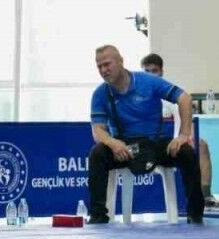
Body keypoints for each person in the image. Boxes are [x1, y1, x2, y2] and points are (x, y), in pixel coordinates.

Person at [86, 45, 205, 224]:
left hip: (155, 144)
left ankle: (195, 214)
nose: (103, 70)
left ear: (121, 62)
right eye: (99, 66)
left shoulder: (148, 81)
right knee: (97, 154)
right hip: (124, 147)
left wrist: (183, 134)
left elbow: (185, 98)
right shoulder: (100, 94)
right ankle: (98, 215)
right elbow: (98, 130)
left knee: (187, 152)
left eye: (107, 64)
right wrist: (113, 143)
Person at [141, 53, 219, 213]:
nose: (151, 75)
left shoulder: (172, 94)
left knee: (201, 145)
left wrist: (185, 138)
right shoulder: (136, 96)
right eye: (147, 71)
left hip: (171, 144)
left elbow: (183, 119)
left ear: (161, 72)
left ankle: (205, 197)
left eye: (154, 71)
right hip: (145, 145)